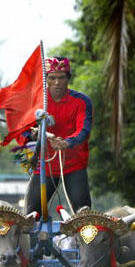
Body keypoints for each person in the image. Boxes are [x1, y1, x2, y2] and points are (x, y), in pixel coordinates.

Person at [23, 56, 93, 215]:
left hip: (74, 164)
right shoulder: (37, 101)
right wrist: (33, 133)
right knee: (29, 216)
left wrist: (67, 142)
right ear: (46, 79)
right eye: (52, 77)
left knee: (84, 215)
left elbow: (84, 130)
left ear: (68, 79)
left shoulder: (82, 101)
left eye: (61, 78)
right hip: (45, 165)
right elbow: (25, 129)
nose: (57, 82)